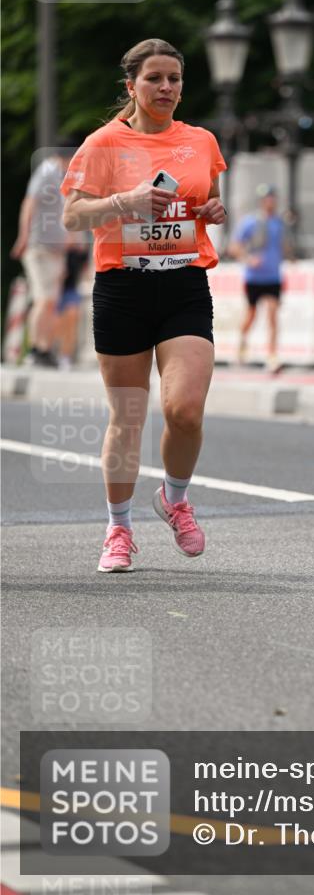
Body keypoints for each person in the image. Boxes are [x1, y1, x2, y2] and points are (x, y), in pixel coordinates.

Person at [61, 38, 227, 574]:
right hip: (123, 290)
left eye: (174, 79)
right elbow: (71, 216)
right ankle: (118, 527)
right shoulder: (103, 144)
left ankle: (175, 499)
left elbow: (206, 198)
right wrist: (124, 202)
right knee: (128, 416)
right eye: (154, 79)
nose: (166, 89)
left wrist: (212, 210)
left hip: (183, 284)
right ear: (130, 85)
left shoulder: (200, 141)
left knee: (185, 410)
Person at [10, 142, 73, 367]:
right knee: (43, 298)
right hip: (39, 246)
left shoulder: (63, 177)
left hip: (56, 249)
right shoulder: (47, 172)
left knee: (52, 302)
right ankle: (35, 348)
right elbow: (30, 203)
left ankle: (45, 348)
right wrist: (23, 236)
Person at [227, 184, 291, 375]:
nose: (270, 202)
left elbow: (285, 248)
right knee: (251, 314)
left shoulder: (280, 223)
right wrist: (248, 259)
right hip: (254, 277)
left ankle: (272, 355)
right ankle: (242, 344)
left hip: (273, 276)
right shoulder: (250, 222)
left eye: (272, 198)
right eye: (266, 198)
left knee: (273, 314)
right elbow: (234, 247)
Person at [54, 236, 91, 369]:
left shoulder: (80, 252)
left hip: (71, 290)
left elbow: (85, 270)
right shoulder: (58, 249)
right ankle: (52, 352)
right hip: (55, 291)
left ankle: (65, 356)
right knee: (57, 325)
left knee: (72, 318)